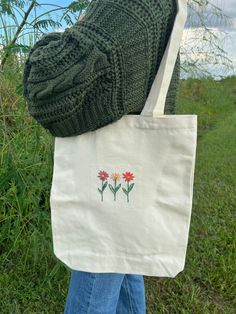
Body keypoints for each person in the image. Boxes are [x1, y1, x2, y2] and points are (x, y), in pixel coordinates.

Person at [22, 0, 180, 313]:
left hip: (105, 189)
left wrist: (68, 33)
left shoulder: (128, 6)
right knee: (123, 255)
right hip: (132, 174)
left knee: (98, 276)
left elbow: (46, 83)